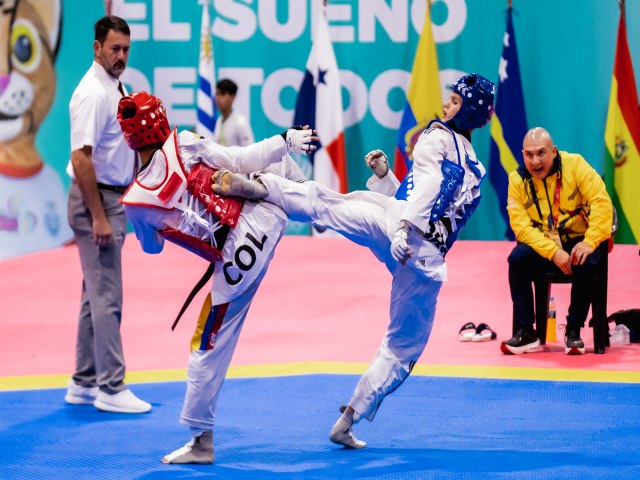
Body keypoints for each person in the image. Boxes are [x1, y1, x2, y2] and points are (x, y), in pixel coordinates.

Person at [213, 73, 496, 449]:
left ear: (468, 111)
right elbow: (433, 204)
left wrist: (403, 230)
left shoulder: (435, 136)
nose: (447, 104)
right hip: (424, 261)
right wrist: (387, 178)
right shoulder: (477, 168)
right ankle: (348, 420)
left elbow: (427, 191)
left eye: (456, 101)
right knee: (402, 349)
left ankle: (264, 187)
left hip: (397, 227)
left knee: (327, 203)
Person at [116, 91, 316, 464]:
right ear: (160, 119)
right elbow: (239, 158)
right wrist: (284, 140)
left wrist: (159, 222)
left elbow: (152, 249)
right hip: (266, 215)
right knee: (280, 170)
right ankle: (334, 209)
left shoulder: (135, 202)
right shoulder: (184, 142)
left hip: (237, 262)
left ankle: (201, 443)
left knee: (205, 347)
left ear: (128, 138)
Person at [64, 16, 151, 413]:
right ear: (96, 47)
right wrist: (98, 216)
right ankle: (111, 388)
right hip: (95, 201)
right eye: (114, 49)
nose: (121, 57)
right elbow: (81, 159)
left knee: (93, 295)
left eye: (126, 50)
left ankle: (83, 381)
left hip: (111, 197)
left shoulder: (116, 87)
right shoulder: (93, 94)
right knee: (107, 296)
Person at [500, 127, 613, 356]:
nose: (535, 161)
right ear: (522, 155)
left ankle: (573, 330)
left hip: (578, 242)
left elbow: (601, 202)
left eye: (541, 153)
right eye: (529, 155)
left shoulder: (576, 165)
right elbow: (521, 229)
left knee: (587, 260)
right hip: (546, 248)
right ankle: (526, 332)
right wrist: (553, 252)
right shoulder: (517, 180)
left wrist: (590, 242)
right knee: (517, 259)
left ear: (553, 151)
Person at [212, 78, 254, 147]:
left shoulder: (240, 122)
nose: (218, 97)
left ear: (232, 97)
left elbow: (250, 150)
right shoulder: (219, 121)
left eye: (222, 94)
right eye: (217, 93)